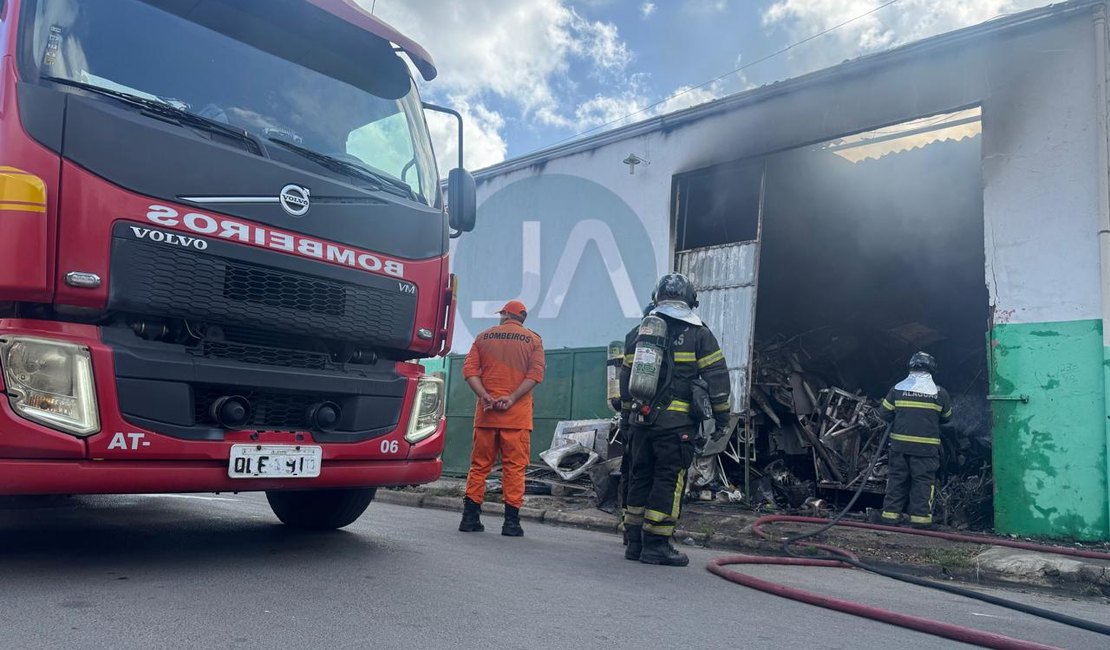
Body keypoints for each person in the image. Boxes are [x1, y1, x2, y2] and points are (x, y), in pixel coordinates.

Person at [621, 274, 730, 566]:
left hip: (640, 424)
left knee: (640, 476)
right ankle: (656, 545)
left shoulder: (638, 333)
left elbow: (625, 381)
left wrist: (627, 419)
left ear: (656, 297)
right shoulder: (699, 334)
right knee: (668, 480)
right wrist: (722, 418)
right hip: (676, 427)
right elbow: (717, 380)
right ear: (691, 299)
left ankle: (634, 542)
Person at [458, 300, 545, 536]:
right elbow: (535, 375)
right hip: (517, 419)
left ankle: (469, 519)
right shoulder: (534, 340)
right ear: (522, 318)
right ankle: (511, 524)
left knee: (479, 467)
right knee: (514, 469)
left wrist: (484, 396)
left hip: (486, 416)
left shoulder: (483, 337)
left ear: (505, 314)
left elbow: (469, 371)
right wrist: (512, 398)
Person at [877, 351, 953, 528]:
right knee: (923, 482)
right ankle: (920, 520)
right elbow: (947, 417)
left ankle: (889, 517)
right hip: (926, 449)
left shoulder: (897, 390)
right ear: (932, 369)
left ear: (910, 366)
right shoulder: (940, 393)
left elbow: (883, 413)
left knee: (897, 480)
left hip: (900, 446)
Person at [614, 303, 654, 546]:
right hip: (660, 421)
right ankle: (646, 531)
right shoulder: (670, 337)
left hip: (632, 419)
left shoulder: (633, 336)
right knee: (654, 475)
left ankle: (628, 527)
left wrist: (626, 416)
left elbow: (624, 379)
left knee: (632, 472)